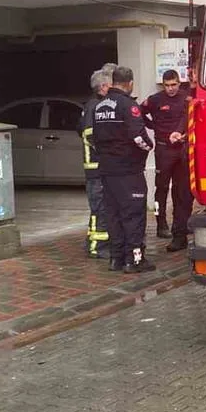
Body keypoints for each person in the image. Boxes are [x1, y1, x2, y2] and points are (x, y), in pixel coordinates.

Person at [92, 65, 156, 273]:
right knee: (134, 216)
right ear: (130, 83)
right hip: (128, 171)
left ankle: (116, 259)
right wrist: (149, 147)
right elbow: (139, 137)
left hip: (107, 171)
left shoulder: (99, 106)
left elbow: (94, 138)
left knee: (114, 216)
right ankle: (135, 260)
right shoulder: (128, 106)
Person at [141, 69, 192, 248]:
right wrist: (153, 126)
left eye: (174, 85)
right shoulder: (155, 99)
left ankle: (182, 224)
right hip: (163, 150)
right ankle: (160, 223)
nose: (171, 89)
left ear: (179, 83)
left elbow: (189, 118)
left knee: (183, 190)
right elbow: (138, 112)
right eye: (167, 85)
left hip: (182, 150)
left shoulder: (187, 98)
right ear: (163, 85)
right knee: (161, 188)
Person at [78, 65, 115, 258]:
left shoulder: (91, 106)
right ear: (103, 87)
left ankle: (92, 242)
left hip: (96, 169)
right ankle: (97, 247)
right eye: (111, 84)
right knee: (99, 209)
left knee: (100, 208)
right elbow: (91, 135)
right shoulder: (94, 107)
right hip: (96, 169)